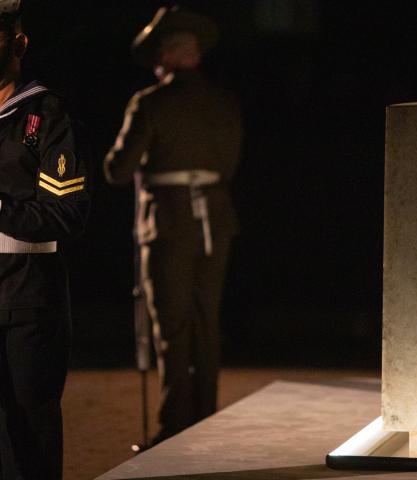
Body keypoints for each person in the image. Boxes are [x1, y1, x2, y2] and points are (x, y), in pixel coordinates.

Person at [104, 6, 242, 443]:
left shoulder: (149, 102)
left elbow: (117, 170)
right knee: (207, 322)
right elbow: (230, 164)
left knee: (171, 328)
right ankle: (207, 425)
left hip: (168, 224)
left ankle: (171, 431)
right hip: (216, 220)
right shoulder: (225, 102)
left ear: (168, 55)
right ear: (196, 55)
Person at [0, 1, 91, 478]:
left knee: (28, 433)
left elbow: (66, 213)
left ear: (18, 43)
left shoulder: (45, 113)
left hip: (27, 294)